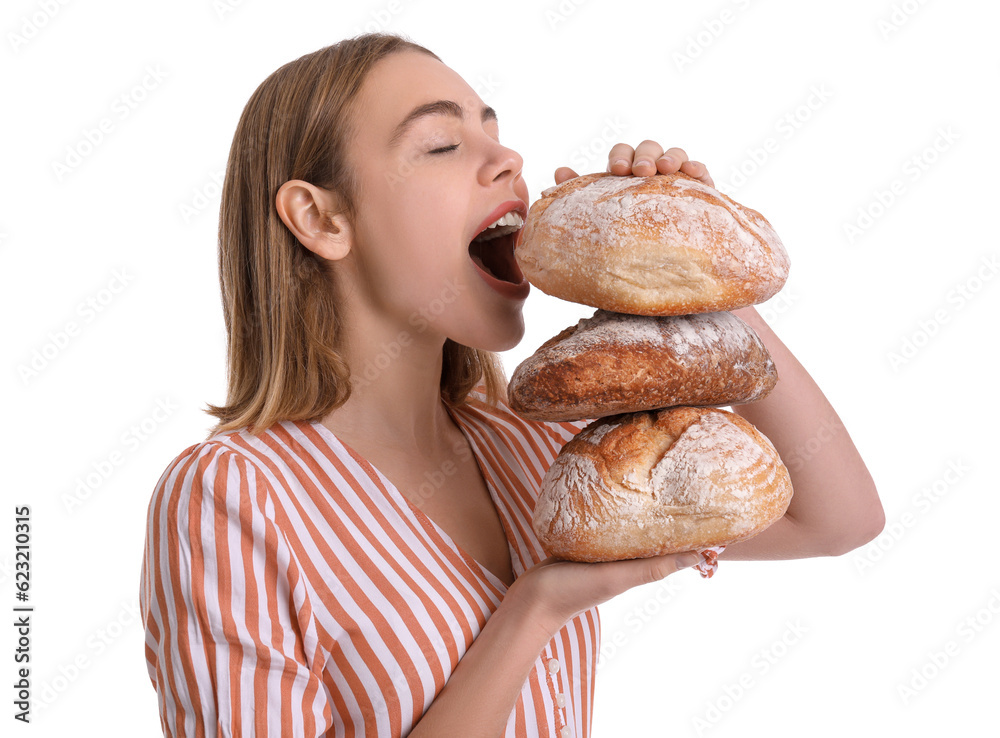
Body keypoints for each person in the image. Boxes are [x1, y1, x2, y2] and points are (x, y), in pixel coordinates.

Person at [139, 32, 884, 738]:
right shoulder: (232, 497)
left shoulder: (541, 449)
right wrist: (536, 605)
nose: (508, 159)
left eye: (496, 132)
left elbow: (838, 520)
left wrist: (697, 272)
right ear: (322, 217)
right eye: (440, 144)